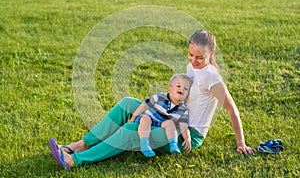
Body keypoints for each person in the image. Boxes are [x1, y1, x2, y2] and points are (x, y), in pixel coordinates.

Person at [49, 30, 256, 171]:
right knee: (127, 104)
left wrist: (241, 143)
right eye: (190, 55)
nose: (193, 61)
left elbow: (231, 108)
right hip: (171, 116)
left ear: (211, 53)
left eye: (199, 58)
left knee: (132, 131)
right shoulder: (192, 68)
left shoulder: (212, 77)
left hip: (187, 134)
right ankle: (80, 145)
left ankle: (74, 160)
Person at [129, 74, 193, 157]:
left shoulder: (183, 109)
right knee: (146, 119)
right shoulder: (160, 96)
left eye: (185, 88)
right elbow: (144, 105)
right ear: (170, 89)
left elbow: (184, 126)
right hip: (148, 118)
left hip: (161, 123)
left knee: (170, 123)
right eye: (178, 86)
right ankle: (144, 144)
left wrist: (187, 138)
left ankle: (173, 144)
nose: (182, 89)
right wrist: (134, 117)